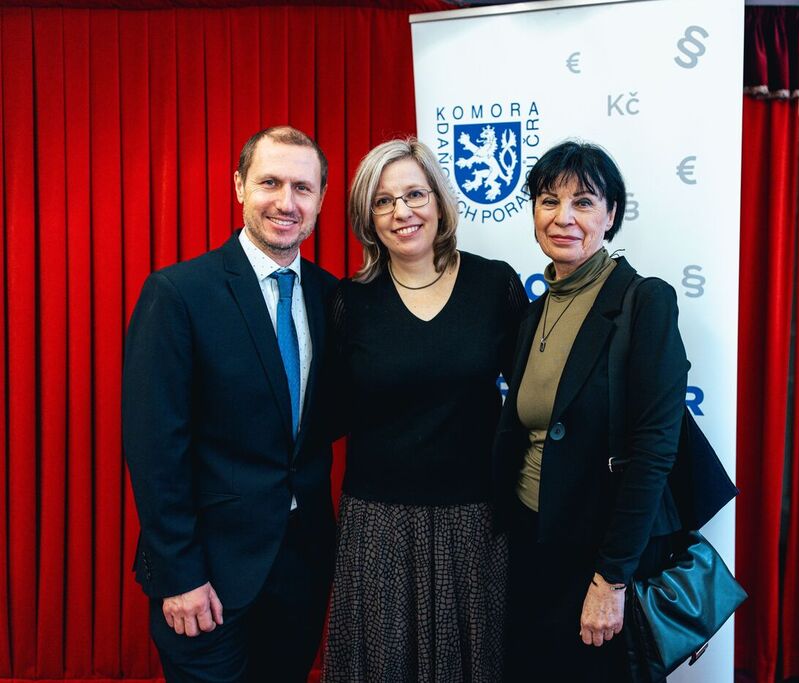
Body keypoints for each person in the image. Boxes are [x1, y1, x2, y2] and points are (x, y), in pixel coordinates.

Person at [123, 126, 339, 683]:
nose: (286, 202)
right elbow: (154, 449)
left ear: (320, 199)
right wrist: (180, 575)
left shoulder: (330, 295)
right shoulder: (178, 294)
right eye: (270, 182)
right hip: (207, 580)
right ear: (240, 185)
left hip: (300, 573)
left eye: (303, 187)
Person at [321, 138, 527, 682]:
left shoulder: (495, 284)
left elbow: (532, 399)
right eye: (383, 201)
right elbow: (325, 412)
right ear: (368, 218)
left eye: (414, 194)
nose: (402, 212)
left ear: (438, 200)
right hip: (378, 524)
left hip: (476, 519)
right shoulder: (348, 301)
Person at [492, 140, 689, 681]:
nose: (563, 218)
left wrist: (612, 579)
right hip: (532, 544)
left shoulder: (644, 301)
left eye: (583, 202)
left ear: (611, 214)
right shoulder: (533, 312)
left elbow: (654, 452)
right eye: (548, 201)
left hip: (601, 554)